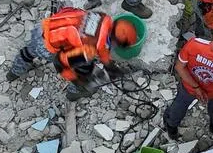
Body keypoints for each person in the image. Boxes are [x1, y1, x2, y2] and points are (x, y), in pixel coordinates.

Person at [8, 9, 141, 100]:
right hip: (46, 45)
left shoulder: (102, 17)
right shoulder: (89, 49)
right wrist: (77, 81)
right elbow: (61, 62)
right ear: (115, 41)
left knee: (28, 52)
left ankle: (14, 72)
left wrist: (109, 65)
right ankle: (74, 93)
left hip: (46, 26)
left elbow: (101, 43)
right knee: (83, 69)